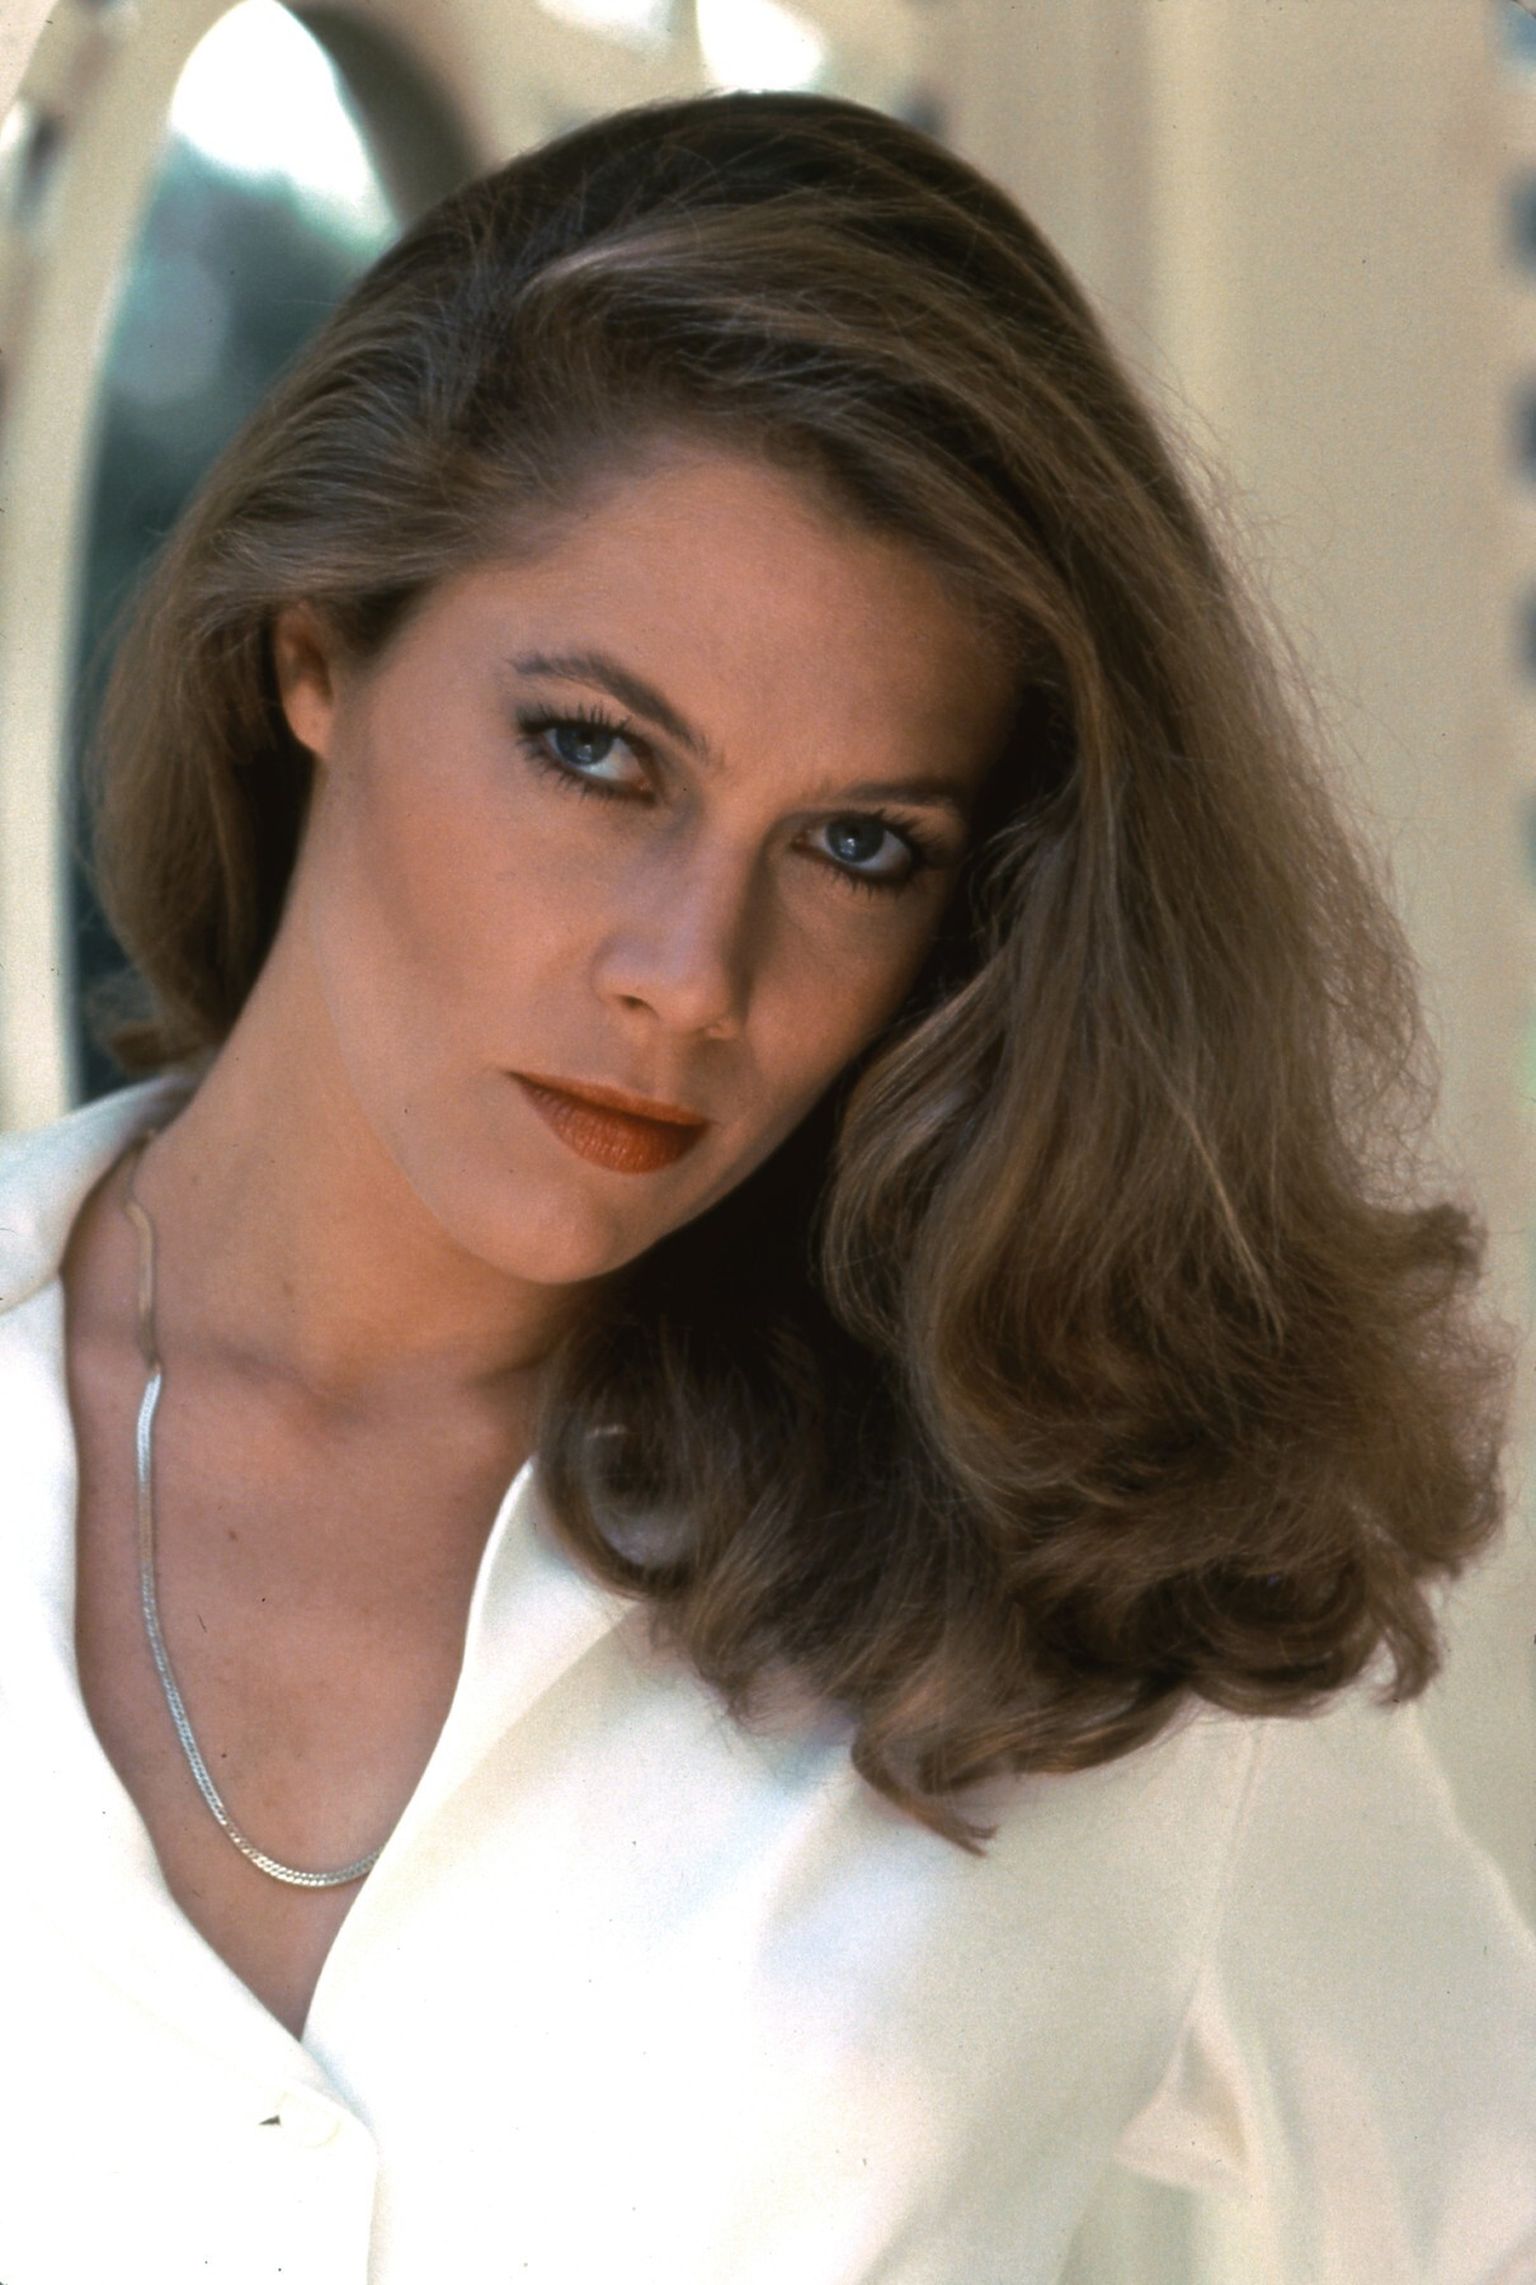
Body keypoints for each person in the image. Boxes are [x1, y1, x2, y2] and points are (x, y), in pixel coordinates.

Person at [1, 85, 1532, 2285]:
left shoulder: (1097, 1581)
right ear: (315, 647)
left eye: (858, 846)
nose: (688, 975)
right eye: (594, 752)